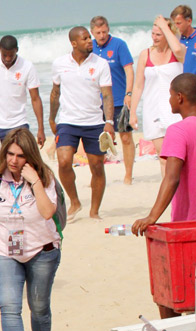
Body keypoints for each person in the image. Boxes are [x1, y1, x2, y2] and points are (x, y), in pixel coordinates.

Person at [0, 128, 62, 331]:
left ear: (30, 157)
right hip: (4, 250)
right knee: (9, 308)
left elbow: (48, 212)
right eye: (10, 154)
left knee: (39, 308)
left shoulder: (44, 176)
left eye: (20, 156)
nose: (14, 161)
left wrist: (34, 180)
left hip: (41, 250)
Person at [133, 73, 196, 317]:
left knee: (169, 295)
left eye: (170, 94)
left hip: (187, 225)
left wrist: (152, 216)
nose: (169, 99)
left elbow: (172, 177)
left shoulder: (178, 130)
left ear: (179, 97)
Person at [50, 26, 114, 220]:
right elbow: (55, 93)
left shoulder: (101, 64)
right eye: (85, 38)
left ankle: (94, 211)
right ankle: (75, 202)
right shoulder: (60, 63)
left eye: (90, 38)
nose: (90, 41)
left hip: (94, 122)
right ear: (74, 43)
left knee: (97, 167)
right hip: (68, 121)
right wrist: (52, 118)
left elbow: (107, 95)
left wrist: (109, 121)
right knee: (63, 162)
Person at [130, 15, 185, 176]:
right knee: (163, 158)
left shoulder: (179, 52)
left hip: (176, 112)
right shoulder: (145, 55)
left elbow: (177, 49)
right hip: (152, 110)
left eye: (158, 34)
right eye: (153, 34)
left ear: (169, 33)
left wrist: (165, 27)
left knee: (179, 157)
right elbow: (139, 85)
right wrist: (133, 113)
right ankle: (171, 198)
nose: (154, 38)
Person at [90, 16, 136, 184]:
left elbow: (129, 70)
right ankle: (97, 176)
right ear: (92, 32)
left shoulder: (119, 45)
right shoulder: (90, 47)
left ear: (108, 29)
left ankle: (128, 175)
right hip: (96, 102)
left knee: (125, 137)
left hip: (118, 100)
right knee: (98, 139)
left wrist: (129, 94)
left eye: (104, 32)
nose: (101, 36)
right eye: (98, 33)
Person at [0, 35, 45, 145]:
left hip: (19, 123)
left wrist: (41, 128)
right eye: (4, 55)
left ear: (17, 50)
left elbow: (35, 98)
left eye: (11, 55)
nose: (8, 59)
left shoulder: (27, 67)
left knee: (20, 160)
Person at [171, 5, 196, 73]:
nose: (175, 26)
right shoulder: (173, 40)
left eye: (178, 23)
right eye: (174, 23)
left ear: (189, 21)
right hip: (179, 82)